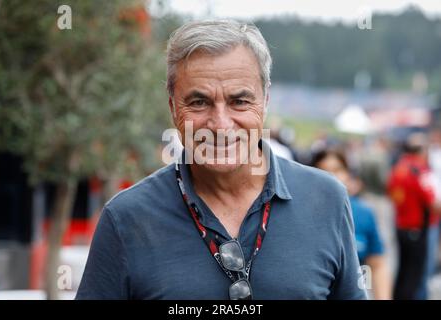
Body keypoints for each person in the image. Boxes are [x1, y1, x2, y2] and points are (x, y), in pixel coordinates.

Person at [76, 20, 366, 300]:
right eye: (199, 102)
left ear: (265, 102)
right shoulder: (126, 219)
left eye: (239, 101)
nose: (221, 124)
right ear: (173, 107)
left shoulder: (326, 199)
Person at [311, 149, 392, 299]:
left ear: (348, 175)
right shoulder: (302, 213)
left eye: (337, 169)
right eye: (322, 170)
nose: (331, 176)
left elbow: (377, 263)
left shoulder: (363, 213)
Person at [387, 132, 441, 300]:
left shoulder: (398, 168)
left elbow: (390, 192)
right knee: (417, 275)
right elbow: (433, 203)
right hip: (418, 228)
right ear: (422, 150)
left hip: (401, 225)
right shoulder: (420, 170)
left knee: (403, 271)